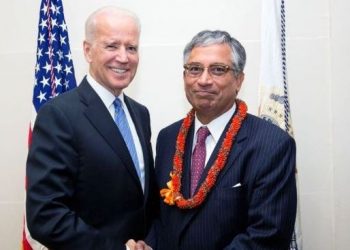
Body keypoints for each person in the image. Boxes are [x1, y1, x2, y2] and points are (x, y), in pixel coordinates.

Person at [144, 30, 297, 250]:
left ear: (239, 80)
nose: (204, 80)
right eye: (195, 69)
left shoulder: (272, 144)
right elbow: (159, 217)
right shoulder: (167, 138)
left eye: (218, 70)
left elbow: (267, 236)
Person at [26, 6, 158, 250]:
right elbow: (46, 216)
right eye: (111, 46)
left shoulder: (140, 114)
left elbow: (144, 201)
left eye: (131, 48)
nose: (123, 57)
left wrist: (150, 242)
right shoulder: (59, 115)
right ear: (88, 51)